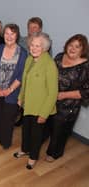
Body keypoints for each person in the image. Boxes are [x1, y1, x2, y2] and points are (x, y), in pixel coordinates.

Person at [14, 32, 58, 170]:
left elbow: (53, 93)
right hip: (28, 104)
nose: (34, 48)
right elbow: (24, 81)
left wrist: (44, 114)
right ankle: (25, 149)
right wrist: (21, 97)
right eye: (32, 45)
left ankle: (33, 157)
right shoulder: (29, 59)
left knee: (36, 135)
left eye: (37, 46)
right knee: (26, 130)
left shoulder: (50, 65)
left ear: (44, 48)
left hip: (40, 107)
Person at [45, 34, 89, 162]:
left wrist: (63, 95)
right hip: (50, 99)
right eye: (71, 45)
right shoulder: (59, 56)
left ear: (83, 49)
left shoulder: (85, 67)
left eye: (77, 46)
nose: (72, 48)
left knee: (60, 131)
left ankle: (54, 153)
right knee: (46, 124)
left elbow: (86, 91)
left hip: (68, 105)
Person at [0, 24, 27, 149]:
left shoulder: (23, 53)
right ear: (3, 35)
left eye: (12, 34)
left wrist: (9, 90)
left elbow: (21, 76)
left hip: (12, 92)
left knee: (8, 118)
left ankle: (5, 141)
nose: (9, 37)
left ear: (17, 36)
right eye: (7, 33)